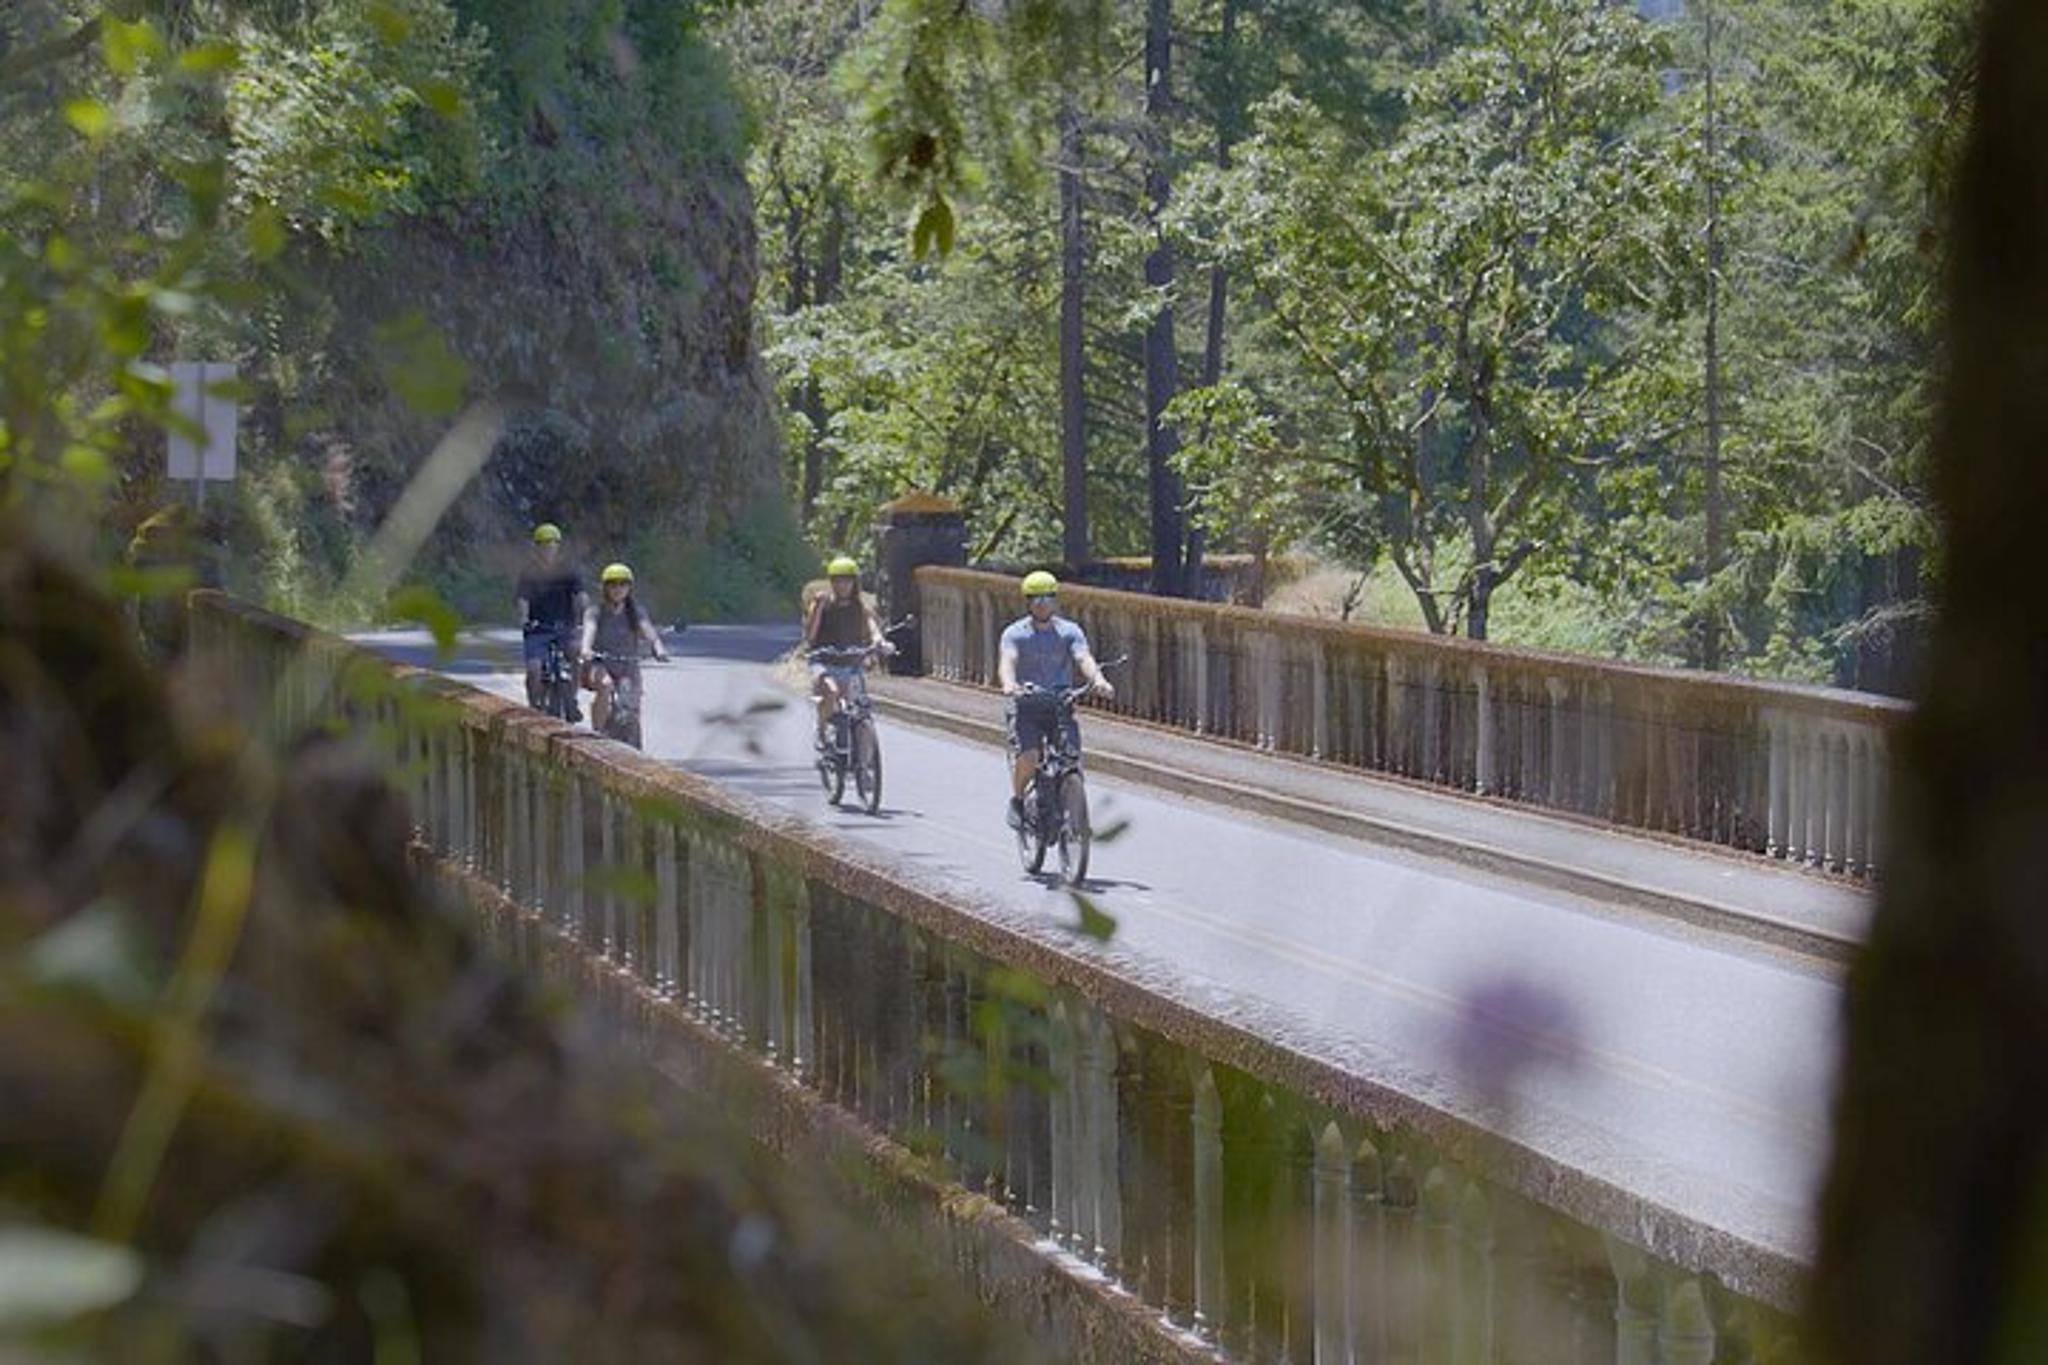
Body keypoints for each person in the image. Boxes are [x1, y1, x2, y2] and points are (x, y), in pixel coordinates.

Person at [996, 570, 1112, 830]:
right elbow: (1008, 661)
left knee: (1071, 758)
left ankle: (1072, 809)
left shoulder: (1070, 631)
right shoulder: (1015, 633)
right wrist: (1009, 684)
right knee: (1030, 754)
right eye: (1035, 597)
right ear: (1027, 602)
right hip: (1027, 707)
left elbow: (1083, 658)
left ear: (1055, 600)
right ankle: (1017, 800)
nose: (1041, 602)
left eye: (1047, 596)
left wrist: (1098, 680)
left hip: (1060, 705)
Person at [802, 556, 895, 750]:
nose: (843, 585)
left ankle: (861, 754)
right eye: (837, 581)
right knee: (832, 691)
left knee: (857, 705)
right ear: (831, 583)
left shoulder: (860, 607)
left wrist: (880, 642)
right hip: (824, 661)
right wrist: (818, 608)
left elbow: (872, 627)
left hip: (851, 663)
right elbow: (810, 636)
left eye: (847, 580)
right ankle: (821, 731)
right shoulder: (823, 604)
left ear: (855, 582)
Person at [580, 562, 667, 736]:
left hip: (628, 666)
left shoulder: (636, 612)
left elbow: (647, 629)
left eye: (623, 584)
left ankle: (634, 740)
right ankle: (598, 733)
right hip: (601, 663)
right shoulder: (595, 612)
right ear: (605, 588)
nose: (618, 588)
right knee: (605, 686)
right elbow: (589, 630)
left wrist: (658, 648)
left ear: (629, 587)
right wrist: (586, 649)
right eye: (612, 584)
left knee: (633, 702)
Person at [517, 523, 585, 720]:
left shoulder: (568, 570)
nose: (548, 549)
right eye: (544, 545)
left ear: (558, 547)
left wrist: (583, 615)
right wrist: (524, 619)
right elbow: (523, 599)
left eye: (552, 544)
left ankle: (572, 699)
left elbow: (580, 594)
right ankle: (535, 707)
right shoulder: (529, 573)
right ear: (536, 548)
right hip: (538, 628)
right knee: (534, 669)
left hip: (565, 627)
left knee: (576, 656)